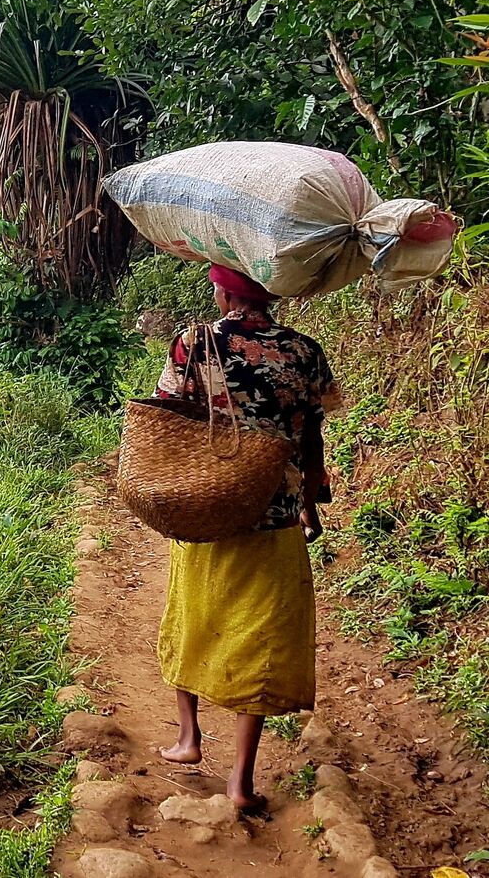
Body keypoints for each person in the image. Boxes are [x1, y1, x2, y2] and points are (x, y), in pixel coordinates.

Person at [154, 264, 341, 809]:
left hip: (206, 508)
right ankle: (240, 781)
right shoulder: (306, 353)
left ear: (226, 290)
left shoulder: (194, 342)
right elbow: (311, 435)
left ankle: (188, 738)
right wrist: (310, 501)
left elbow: (167, 419)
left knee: (192, 614)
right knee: (258, 633)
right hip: (275, 509)